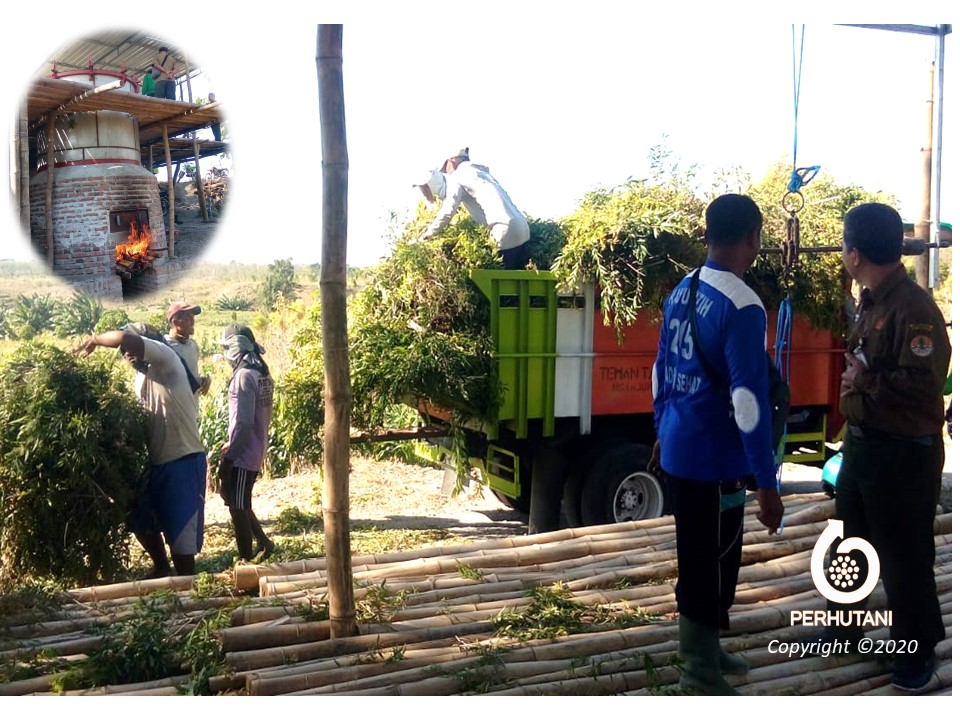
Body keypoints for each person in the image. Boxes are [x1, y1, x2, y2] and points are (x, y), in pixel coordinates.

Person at [650, 193, 784, 695]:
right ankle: (698, 674)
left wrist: (661, 430)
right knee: (711, 563)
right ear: (753, 238)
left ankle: (706, 648)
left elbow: (661, 371)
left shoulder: (682, 290)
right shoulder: (745, 305)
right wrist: (768, 484)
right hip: (715, 459)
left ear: (707, 235)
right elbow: (748, 403)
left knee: (709, 559)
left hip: (683, 448)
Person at [827, 202, 951, 691]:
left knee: (904, 557)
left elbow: (924, 386)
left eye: (842, 245)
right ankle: (846, 628)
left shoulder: (914, 308)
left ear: (856, 253)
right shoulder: (872, 299)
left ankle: (917, 657)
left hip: (903, 453)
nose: (841, 253)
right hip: (864, 446)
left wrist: (865, 379)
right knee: (847, 541)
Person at [78, 324, 207, 577]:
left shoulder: (166, 359)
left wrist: (94, 339)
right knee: (137, 512)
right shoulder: (141, 380)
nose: (127, 354)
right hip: (158, 464)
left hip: (183, 461)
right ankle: (161, 568)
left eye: (131, 348)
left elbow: (125, 338)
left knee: (181, 540)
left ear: (150, 345)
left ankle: (188, 589)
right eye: (124, 352)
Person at [218, 323, 276, 561]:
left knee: (237, 507)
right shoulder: (262, 372)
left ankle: (245, 557)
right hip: (254, 448)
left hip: (243, 453)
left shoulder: (243, 376)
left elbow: (243, 423)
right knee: (238, 501)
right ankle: (264, 543)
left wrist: (230, 458)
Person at [418, 148, 531, 269]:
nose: (446, 172)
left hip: (504, 233)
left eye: (446, 168)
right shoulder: (482, 173)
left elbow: (447, 212)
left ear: (451, 162)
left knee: (481, 271)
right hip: (524, 230)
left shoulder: (458, 177)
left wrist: (427, 235)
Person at [165, 301, 212, 406]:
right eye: (188, 319)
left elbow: (189, 377)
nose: (192, 322)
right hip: (174, 411)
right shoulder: (165, 346)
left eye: (193, 318)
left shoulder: (193, 346)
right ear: (176, 322)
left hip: (192, 411)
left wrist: (203, 381)